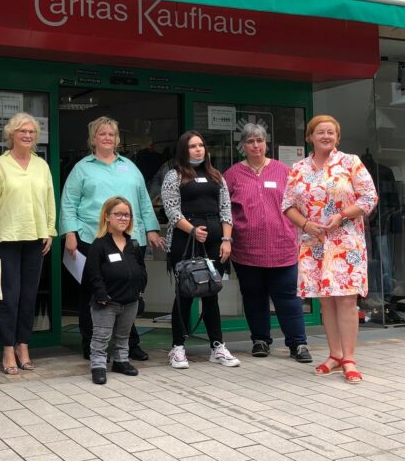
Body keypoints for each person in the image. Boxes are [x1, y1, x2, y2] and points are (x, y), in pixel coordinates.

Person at [282, 115, 377, 383]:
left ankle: (349, 358)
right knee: (326, 300)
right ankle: (334, 354)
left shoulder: (350, 162)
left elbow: (369, 196)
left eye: (331, 133)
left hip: (346, 241)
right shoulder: (298, 168)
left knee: (346, 299)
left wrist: (343, 215)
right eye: (321, 132)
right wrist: (305, 224)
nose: (326, 136)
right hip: (314, 243)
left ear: (337, 137)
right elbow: (287, 205)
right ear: (310, 136)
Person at [59, 116, 164, 361]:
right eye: (102, 133)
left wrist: (151, 229)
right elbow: (68, 203)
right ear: (93, 138)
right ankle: (91, 344)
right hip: (91, 239)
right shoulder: (82, 168)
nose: (107, 138)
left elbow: (144, 202)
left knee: (129, 294)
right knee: (93, 293)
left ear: (117, 139)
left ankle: (129, 345)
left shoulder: (130, 167)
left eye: (111, 134)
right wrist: (70, 234)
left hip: (128, 240)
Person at [223, 123, 312, 363]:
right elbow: (225, 211)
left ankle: (298, 344)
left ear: (266, 143)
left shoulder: (284, 171)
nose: (255, 145)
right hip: (247, 249)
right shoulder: (231, 175)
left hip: (282, 247)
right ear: (242, 146)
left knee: (288, 298)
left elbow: (299, 203)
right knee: (254, 297)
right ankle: (260, 340)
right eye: (250, 141)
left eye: (259, 141)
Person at [0, 112, 56, 375]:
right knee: (9, 298)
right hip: (6, 238)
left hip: (35, 238)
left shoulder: (41, 165)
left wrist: (50, 230)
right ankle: (7, 349)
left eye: (32, 132)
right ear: (11, 134)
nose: (27, 135)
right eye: (22, 131)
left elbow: (49, 200)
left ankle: (24, 345)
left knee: (29, 296)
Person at [161, 130, 240, 369]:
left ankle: (217, 346)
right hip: (185, 240)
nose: (198, 149)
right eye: (193, 146)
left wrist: (227, 239)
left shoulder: (217, 176)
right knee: (184, 294)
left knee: (211, 293)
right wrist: (193, 230)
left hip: (215, 241)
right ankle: (177, 348)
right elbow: (172, 211)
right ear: (184, 150)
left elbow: (226, 209)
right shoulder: (174, 176)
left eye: (201, 145)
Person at [84, 197, 146, 385]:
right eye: (118, 214)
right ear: (107, 217)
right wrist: (101, 293)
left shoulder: (133, 244)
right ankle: (98, 366)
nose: (123, 218)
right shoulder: (99, 245)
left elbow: (141, 270)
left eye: (126, 214)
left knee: (123, 335)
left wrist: (139, 290)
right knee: (101, 336)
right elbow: (92, 273)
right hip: (107, 302)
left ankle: (121, 361)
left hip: (130, 300)